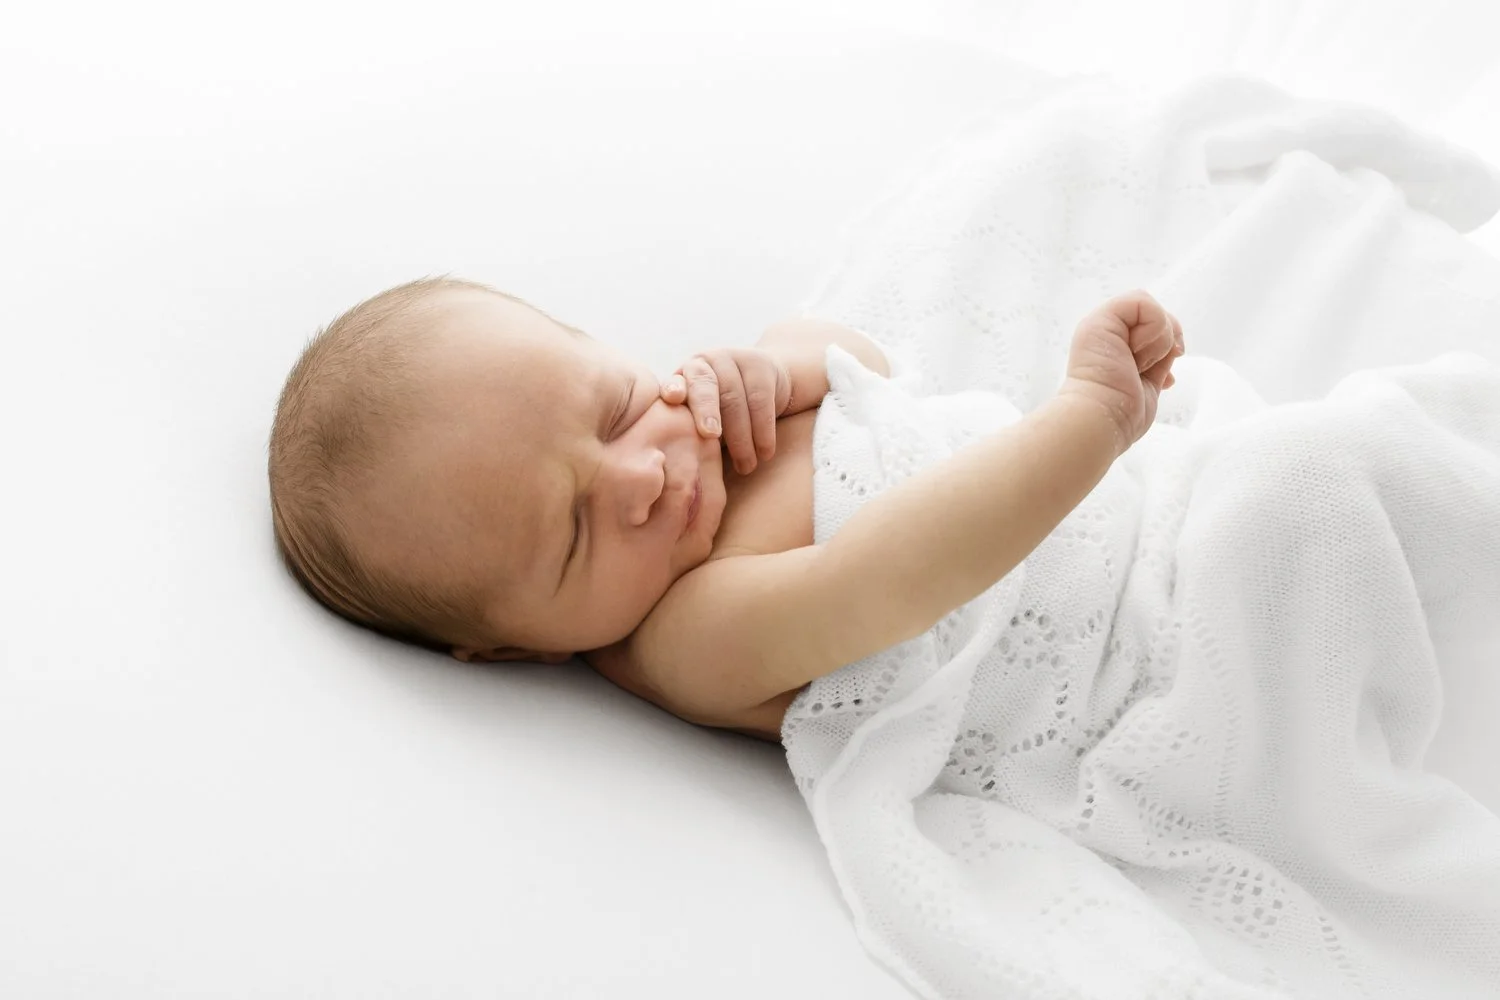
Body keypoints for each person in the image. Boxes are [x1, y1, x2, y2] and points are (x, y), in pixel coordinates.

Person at [268, 276, 1183, 741]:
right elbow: (895, 584)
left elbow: (877, 370)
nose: (639, 475)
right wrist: (1089, 421)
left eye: (616, 407)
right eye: (575, 534)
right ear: (518, 644)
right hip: (1147, 657)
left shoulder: (724, 410)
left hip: (1159, 507)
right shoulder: (681, 637)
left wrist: (779, 367)